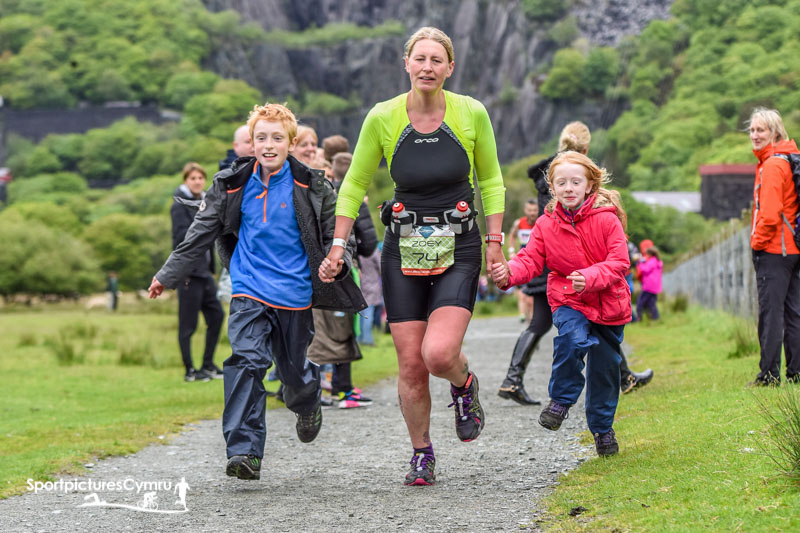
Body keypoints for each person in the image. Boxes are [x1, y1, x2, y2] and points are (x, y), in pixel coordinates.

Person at [319, 27, 506, 486]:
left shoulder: (470, 113)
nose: (427, 67)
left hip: (459, 246)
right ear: (406, 64)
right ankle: (422, 452)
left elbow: (492, 182)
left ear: (449, 68)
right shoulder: (383, 117)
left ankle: (464, 385)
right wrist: (338, 245)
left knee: (439, 354)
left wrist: (495, 244)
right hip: (402, 247)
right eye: (419, 59)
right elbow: (354, 186)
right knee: (410, 365)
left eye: (436, 60)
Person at [148, 103, 366, 480]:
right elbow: (199, 233)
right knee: (246, 362)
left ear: (291, 142)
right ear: (249, 143)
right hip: (249, 289)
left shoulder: (314, 185)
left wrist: (338, 261)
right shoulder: (230, 184)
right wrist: (167, 275)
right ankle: (244, 451)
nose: (268, 145)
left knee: (294, 375)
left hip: (295, 293)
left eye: (277, 138)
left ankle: (308, 399)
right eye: (260, 138)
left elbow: (338, 236)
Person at [490, 151, 630, 457]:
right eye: (561, 182)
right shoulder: (545, 224)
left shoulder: (607, 219)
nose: (569, 188)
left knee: (605, 371)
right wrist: (508, 273)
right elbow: (529, 259)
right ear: (552, 188)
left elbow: (620, 262)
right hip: (569, 299)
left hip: (608, 303)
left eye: (575, 182)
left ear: (589, 185)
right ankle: (561, 401)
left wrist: (592, 276)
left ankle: (603, 431)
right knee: (571, 338)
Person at [747, 107, 800, 386]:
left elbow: (769, 215)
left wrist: (756, 244)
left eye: (761, 130)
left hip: (774, 250)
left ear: (775, 132)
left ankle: (768, 375)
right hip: (793, 249)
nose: (755, 135)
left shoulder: (772, 166)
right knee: (793, 312)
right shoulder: (788, 159)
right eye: (752, 130)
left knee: (770, 314)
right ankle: (797, 371)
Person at [171, 162, 225, 382]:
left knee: (217, 316)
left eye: (200, 178)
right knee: (188, 324)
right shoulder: (179, 205)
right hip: (189, 274)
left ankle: (208, 364)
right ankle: (189, 369)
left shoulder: (205, 202)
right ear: (186, 180)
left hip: (205, 272)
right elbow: (180, 237)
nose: (197, 182)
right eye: (193, 178)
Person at [507, 198, 538, 322]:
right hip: (523, 259)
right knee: (522, 293)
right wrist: (511, 251)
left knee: (531, 297)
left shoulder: (541, 222)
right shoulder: (519, 223)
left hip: (537, 260)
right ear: (525, 210)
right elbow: (512, 235)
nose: (532, 213)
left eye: (535, 210)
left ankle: (534, 319)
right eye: (530, 210)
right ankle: (523, 315)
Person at [636, 244, 662, 321]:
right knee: (651, 303)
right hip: (655, 286)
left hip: (649, 286)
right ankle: (655, 318)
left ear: (650, 254)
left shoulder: (652, 261)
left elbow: (645, 270)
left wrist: (640, 263)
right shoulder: (658, 261)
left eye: (647, 253)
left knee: (640, 302)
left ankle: (639, 318)